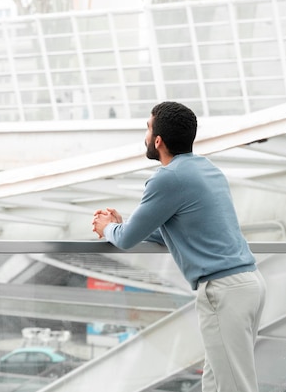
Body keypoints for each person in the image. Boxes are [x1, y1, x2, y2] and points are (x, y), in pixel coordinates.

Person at [92, 101, 266, 392]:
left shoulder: (167, 178)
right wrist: (125, 225)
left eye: (148, 128)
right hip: (248, 284)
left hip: (223, 290)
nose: (146, 135)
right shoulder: (206, 169)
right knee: (216, 381)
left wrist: (106, 227)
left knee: (235, 386)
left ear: (158, 141)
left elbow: (126, 239)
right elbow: (169, 232)